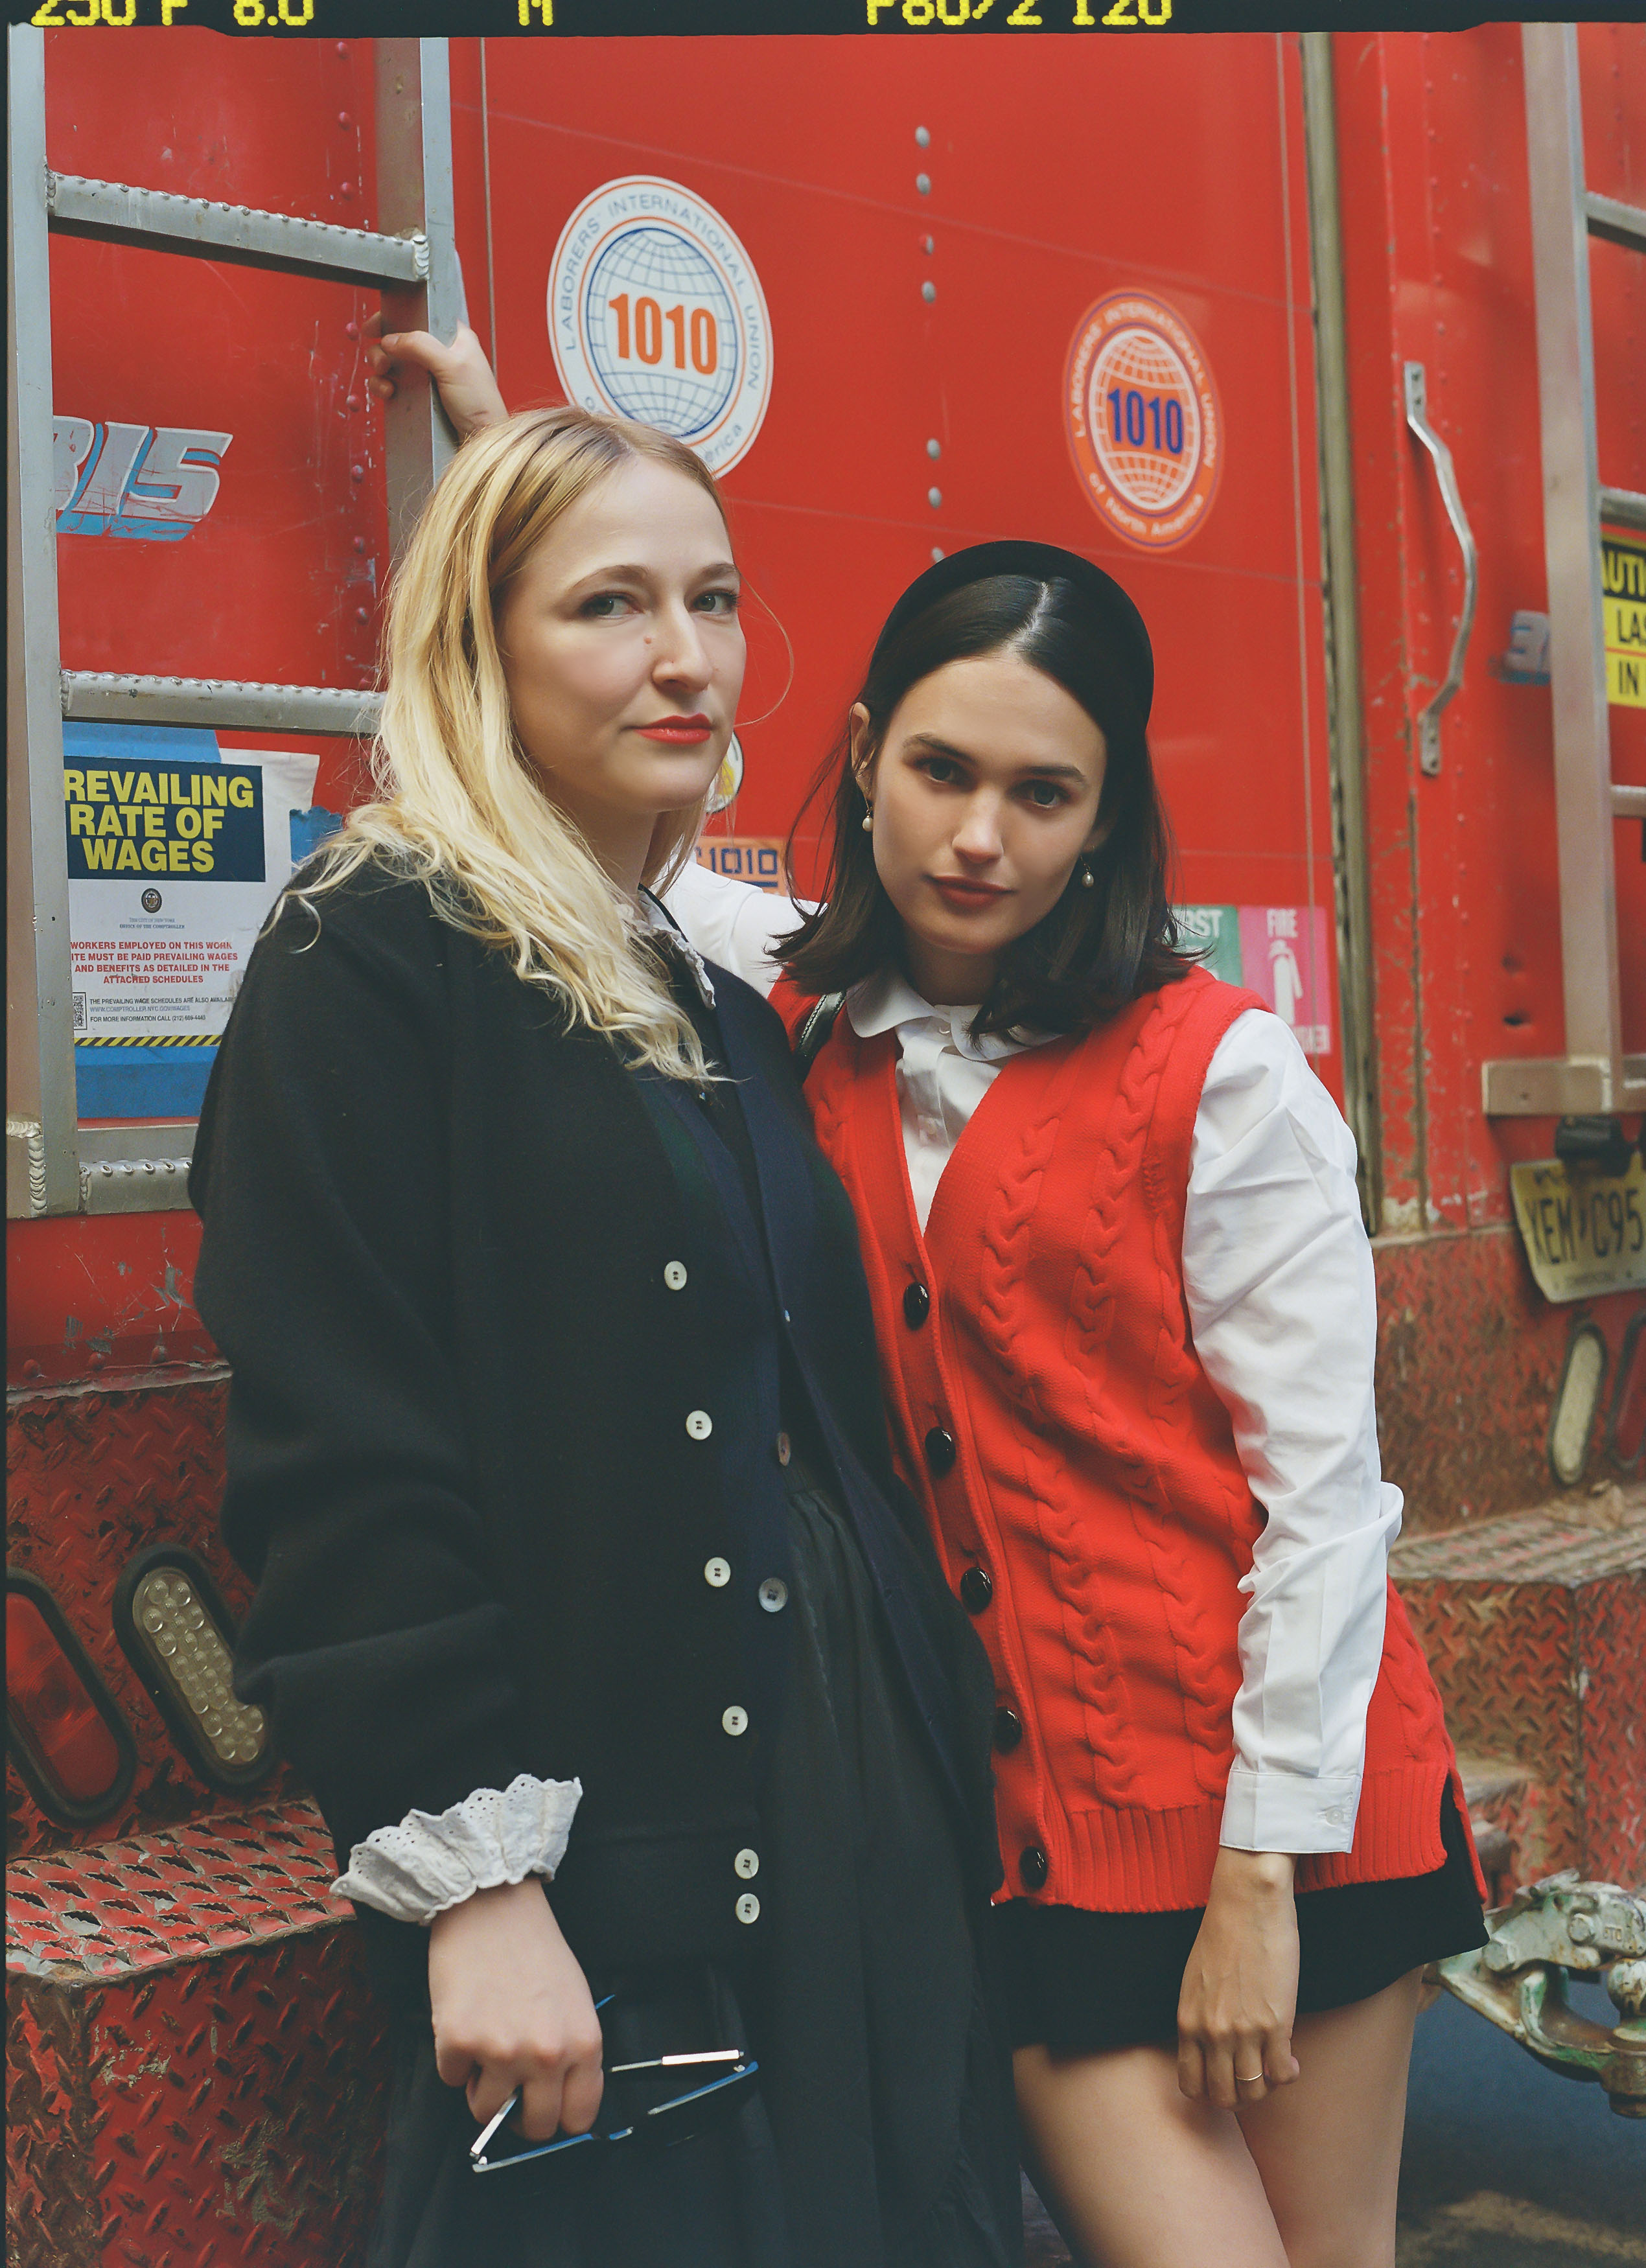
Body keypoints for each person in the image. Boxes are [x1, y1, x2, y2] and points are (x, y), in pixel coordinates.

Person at [381, 330, 1489, 2267]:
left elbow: (1328, 1504)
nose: (984, 837)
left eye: (1047, 795)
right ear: (868, 752)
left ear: (1107, 815)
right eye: (943, 771)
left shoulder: (1224, 1072)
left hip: (1293, 1821)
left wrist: (1262, 1875)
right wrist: (507, 476)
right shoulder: (790, 1009)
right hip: (1041, 1841)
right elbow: (606, 777)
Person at [189, 401, 1023, 2268]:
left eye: (714, 599)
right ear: (482, 648)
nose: (684, 655)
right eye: (610, 605)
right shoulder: (372, 942)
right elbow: (344, 1448)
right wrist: (473, 1881)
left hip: (846, 1794)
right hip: (605, 1839)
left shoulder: (685, 975)